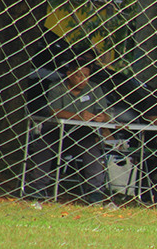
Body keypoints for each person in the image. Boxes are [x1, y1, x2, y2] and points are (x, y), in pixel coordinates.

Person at [27, 57, 112, 203]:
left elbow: (107, 115)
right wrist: (78, 116)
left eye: (86, 76)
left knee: (92, 150)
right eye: (79, 75)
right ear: (69, 74)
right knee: (44, 146)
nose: (82, 79)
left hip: (82, 134)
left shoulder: (95, 89)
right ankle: (38, 187)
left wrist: (101, 117)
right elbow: (54, 111)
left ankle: (96, 191)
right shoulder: (57, 87)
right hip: (56, 131)